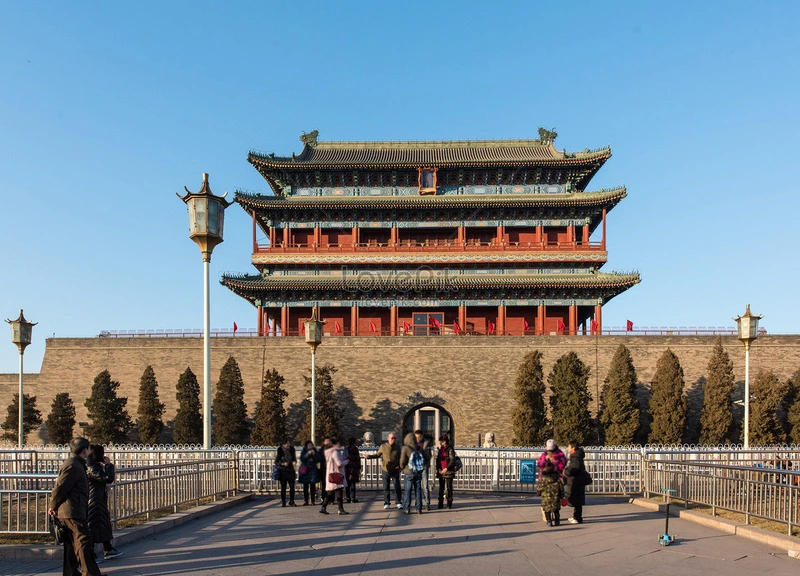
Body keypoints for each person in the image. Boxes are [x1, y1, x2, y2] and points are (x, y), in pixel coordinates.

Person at [49, 437, 106, 576]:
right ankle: (90, 573)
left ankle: (71, 573)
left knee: (71, 544)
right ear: (84, 450)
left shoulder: (77, 463)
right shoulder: (73, 465)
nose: (90, 451)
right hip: (71, 510)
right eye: (89, 448)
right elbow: (60, 488)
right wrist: (53, 506)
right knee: (84, 541)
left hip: (74, 509)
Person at [86, 445, 121, 563]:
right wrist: (109, 466)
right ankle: (91, 554)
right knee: (92, 525)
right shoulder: (90, 465)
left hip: (99, 497)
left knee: (103, 523)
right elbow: (107, 478)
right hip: (93, 499)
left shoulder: (94, 465)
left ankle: (108, 548)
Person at [366, 433, 402, 509]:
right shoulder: (383, 446)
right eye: (392, 438)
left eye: (395, 438)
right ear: (388, 438)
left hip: (395, 469)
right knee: (386, 487)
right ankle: (386, 502)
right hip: (385, 469)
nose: (393, 439)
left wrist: (400, 466)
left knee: (397, 486)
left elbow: (401, 458)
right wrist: (369, 456)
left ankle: (398, 502)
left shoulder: (398, 447)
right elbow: (378, 454)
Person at [320, 438, 348, 515]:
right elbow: (339, 463)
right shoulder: (335, 452)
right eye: (338, 444)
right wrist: (346, 461)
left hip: (330, 474)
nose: (339, 445)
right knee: (339, 492)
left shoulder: (328, 452)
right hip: (336, 475)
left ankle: (323, 507)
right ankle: (340, 509)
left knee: (330, 493)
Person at [563, 439, 587, 524]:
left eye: (569, 447)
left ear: (573, 448)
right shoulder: (576, 456)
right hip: (577, 480)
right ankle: (576, 516)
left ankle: (577, 517)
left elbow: (574, 469)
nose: (568, 448)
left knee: (577, 499)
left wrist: (566, 471)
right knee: (577, 499)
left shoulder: (576, 457)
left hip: (577, 481)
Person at [400, 432, 424, 514]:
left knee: (408, 490)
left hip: (409, 471)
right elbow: (427, 457)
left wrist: (402, 467)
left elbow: (402, 461)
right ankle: (419, 508)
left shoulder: (406, 448)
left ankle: (407, 508)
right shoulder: (419, 448)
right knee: (418, 490)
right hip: (418, 472)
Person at [538, 459, 562, 527]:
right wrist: (562, 495)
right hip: (556, 497)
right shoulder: (557, 478)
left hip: (546, 498)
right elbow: (561, 487)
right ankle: (557, 521)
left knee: (547, 509)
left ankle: (549, 521)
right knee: (556, 510)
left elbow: (540, 487)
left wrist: (539, 493)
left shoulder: (543, 479)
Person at [414, 429, 433, 511]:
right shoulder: (413, 443)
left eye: (419, 437)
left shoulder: (426, 443)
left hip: (424, 466)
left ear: (421, 436)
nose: (418, 439)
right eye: (416, 437)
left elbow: (429, 455)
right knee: (417, 486)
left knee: (425, 486)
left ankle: (427, 503)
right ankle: (418, 502)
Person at [436, 433, 456, 509]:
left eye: (442, 441)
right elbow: (438, 460)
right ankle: (440, 503)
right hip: (441, 470)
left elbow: (452, 460)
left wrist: (446, 468)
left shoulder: (450, 449)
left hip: (448, 470)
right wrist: (439, 469)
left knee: (449, 487)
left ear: (445, 441)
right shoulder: (440, 449)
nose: (441, 442)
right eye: (441, 441)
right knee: (441, 488)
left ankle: (449, 503)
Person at [298, 440, 321, 505]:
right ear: (306, 446)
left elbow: (319, 459)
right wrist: (308, 454)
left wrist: (314, 454)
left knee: (312, 486)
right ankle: (306, 500)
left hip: (313, 470)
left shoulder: (315, 451)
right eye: (309, 445)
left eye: (311, 445)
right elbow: (302, 458)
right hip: (305, 470)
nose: (310, 447)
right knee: (305, 486)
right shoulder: (304, 451)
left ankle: (313, 500)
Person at [275, 440, 297, 507]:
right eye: (286, 444)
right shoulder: (280, 451)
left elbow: (294, 459)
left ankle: (291, 501)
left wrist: (294, 461)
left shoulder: (292, 450)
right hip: (283, 471)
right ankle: (283, 501)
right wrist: (283, 464)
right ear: (282, 445)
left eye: (288, 443)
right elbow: (276, 462)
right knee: (283, 487)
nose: (287, 445)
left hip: (291, 470)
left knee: (292, 487)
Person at [344, 437, 362, 503]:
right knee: (353, 484)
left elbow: (344, 457)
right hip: (354, 467)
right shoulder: (355, 449)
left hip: (347, 466)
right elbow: (357, 458)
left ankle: (348, 497)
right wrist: (359, 467)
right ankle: (353, 498)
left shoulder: (346, 449)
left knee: (347, 484)